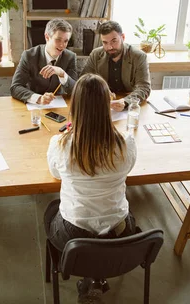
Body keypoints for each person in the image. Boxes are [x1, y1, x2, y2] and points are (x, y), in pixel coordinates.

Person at [45, 73, 137, 302]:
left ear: (74, 106)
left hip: (73, 234)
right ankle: (96, 277)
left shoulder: (61, 144)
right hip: (119, 232)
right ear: (108, 105)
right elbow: (128, 169)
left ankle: (91, 276)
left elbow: (55, 174)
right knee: (124, 210)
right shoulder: (126, 142)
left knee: (50, 211)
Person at [81, 21, 151, 112]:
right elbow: (84, 80)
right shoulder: (96, 54)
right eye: (105, 43)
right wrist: (100, 89)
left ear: (123, 37)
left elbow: (144, 87)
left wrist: (126, 102)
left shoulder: (138, 56)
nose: (110, 47)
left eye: (114, 41)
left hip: (129, 106)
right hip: (102, 104)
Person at [10, 19, 77, 104]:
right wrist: (38, 98)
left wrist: (62, 73)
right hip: (34, 106)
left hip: (59, 106)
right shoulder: (29, 56)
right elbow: (15, 87)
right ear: (47, 37)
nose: (62, 45)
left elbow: (75, 90)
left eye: (65, 41)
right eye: (58, 39)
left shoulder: (70, 57)